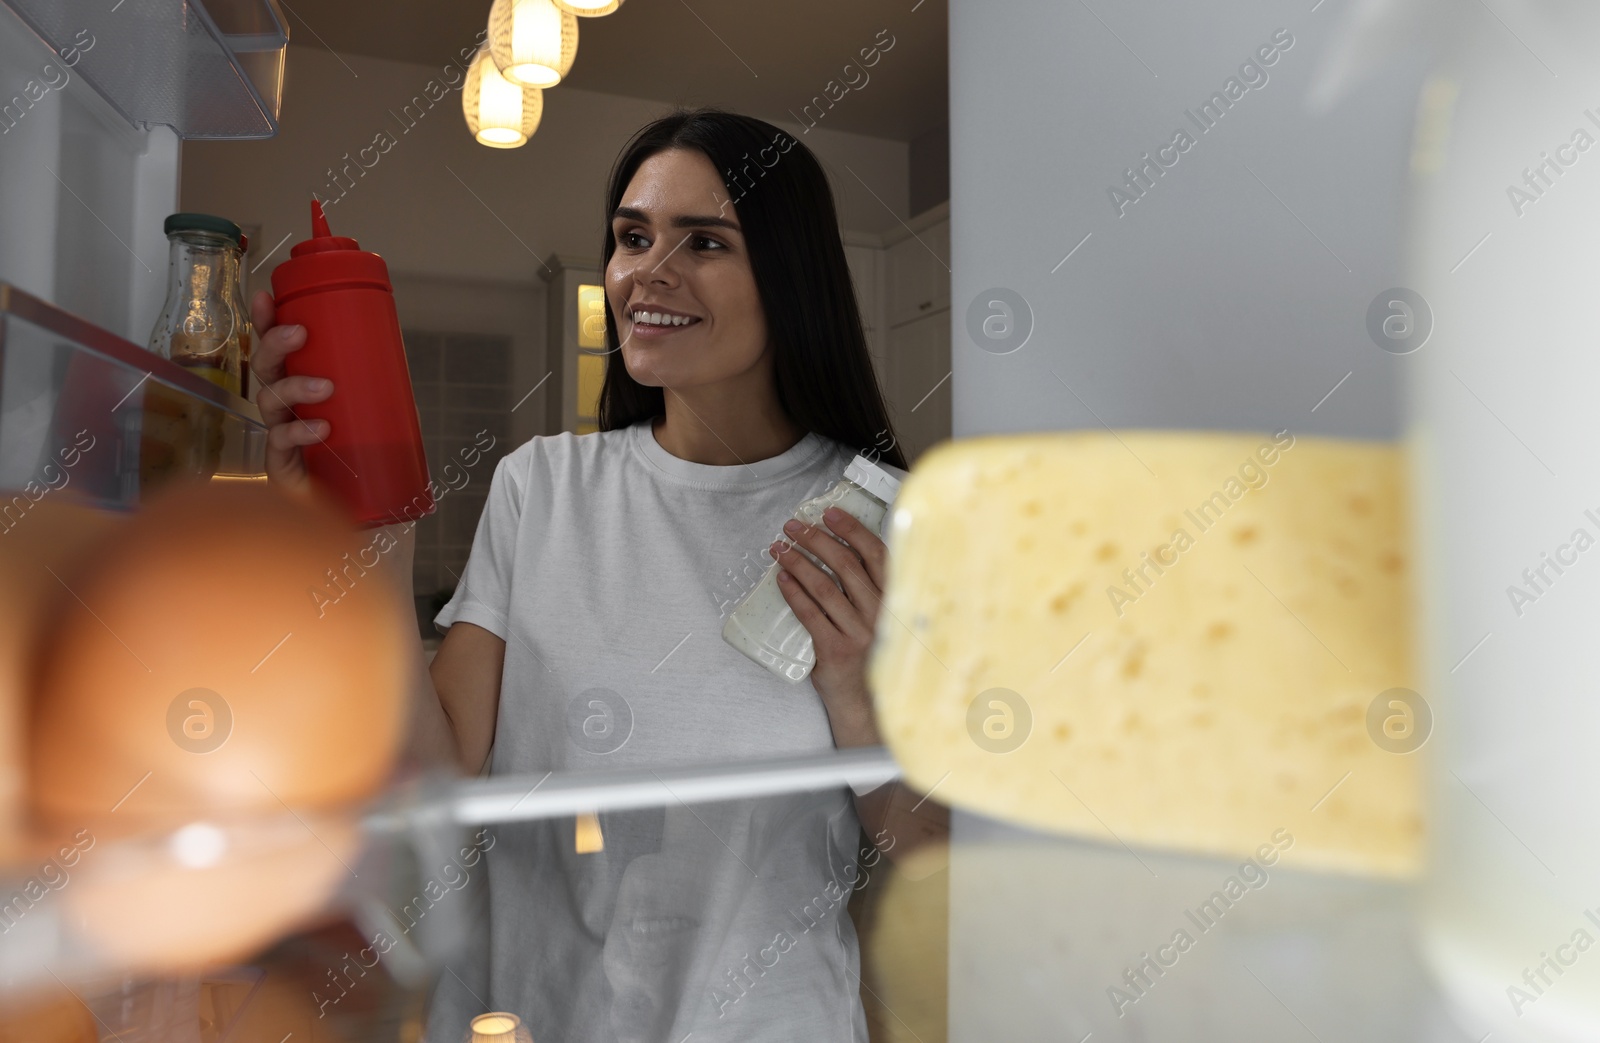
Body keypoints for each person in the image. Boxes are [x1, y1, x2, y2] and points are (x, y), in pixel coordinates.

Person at [249, 108, 948, 1041]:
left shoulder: (881, 522)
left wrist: (857, 698)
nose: (647, 272)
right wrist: (358, 530)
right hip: (533, 1016)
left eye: (704, 241)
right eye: (632, 237)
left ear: (790, 276)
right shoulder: (540, 487)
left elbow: (934, 848)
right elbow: (442, 763)